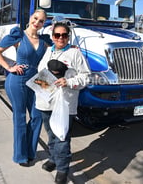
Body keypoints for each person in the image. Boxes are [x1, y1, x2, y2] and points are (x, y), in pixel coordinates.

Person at [0, 9, 50, 167]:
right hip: (17, 79)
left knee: (37, 116)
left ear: (44, 23)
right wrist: (9, 67)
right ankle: (20, 156)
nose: (37, 23)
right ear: (30, 17)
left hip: (38, 80)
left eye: (41, 21)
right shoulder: (18, 35)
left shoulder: (44, 40)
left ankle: (31, 151)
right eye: (35, 18)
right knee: (19, 117)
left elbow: (59, 48)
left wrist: (73, 49)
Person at [35, 22, 91, 184]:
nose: (60, 38)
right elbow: (40, 72)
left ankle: (62, 169)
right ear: (52, 37)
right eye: (57, 35)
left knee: (62, 136)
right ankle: (53, 159)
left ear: (68, 37)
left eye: (64, 35)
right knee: (51, 135)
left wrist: (68, 81)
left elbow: (86, 77)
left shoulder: (75, 54)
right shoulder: (48, 51)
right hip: (46, 101)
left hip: (65, 103)